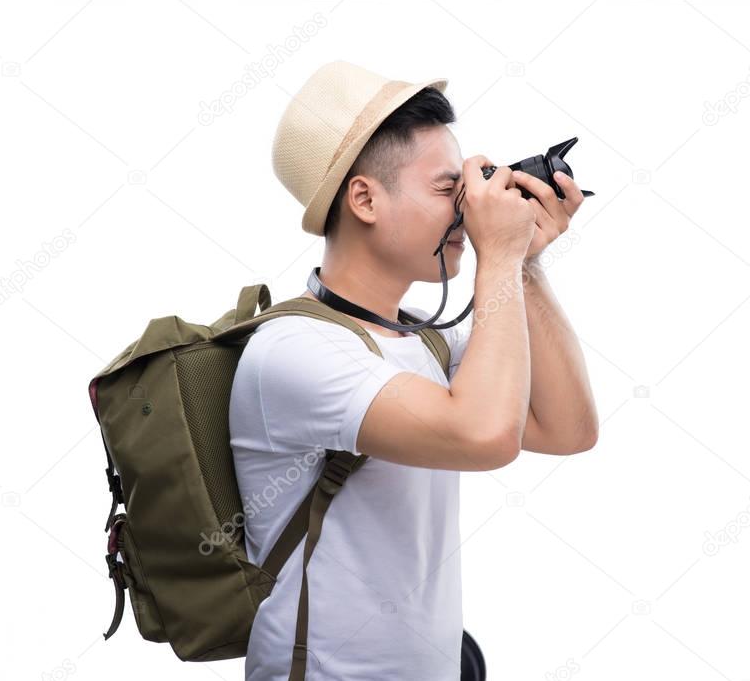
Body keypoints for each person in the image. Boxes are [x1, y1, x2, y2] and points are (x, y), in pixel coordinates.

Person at [229, 60, 598, 681]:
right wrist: (499, 257)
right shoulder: (293, 350)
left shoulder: (424, 339)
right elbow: (483, 436)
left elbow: (568, 429)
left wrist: (525, 262)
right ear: (365, 199)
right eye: (445, 190)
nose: (466, 211)